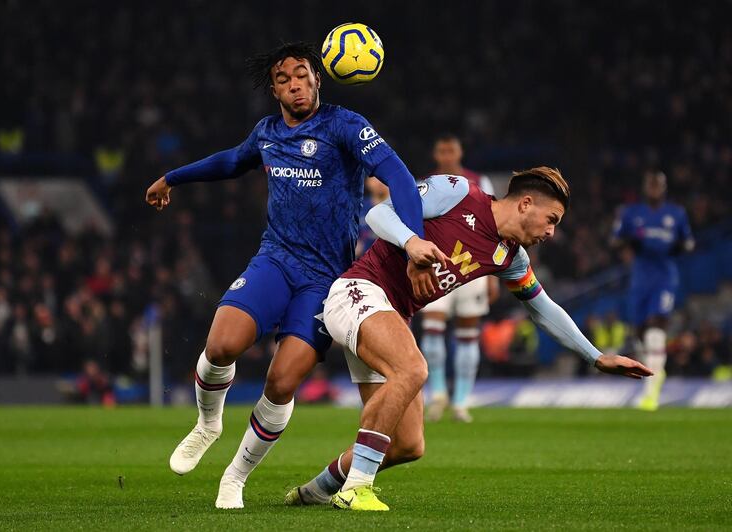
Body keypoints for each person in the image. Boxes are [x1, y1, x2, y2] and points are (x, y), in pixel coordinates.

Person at [144, 42, 444, 509]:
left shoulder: (345, 125)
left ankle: (235, 477)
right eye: (284, 79)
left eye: (302, 75)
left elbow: (399, 176)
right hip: (277, 259)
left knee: (282, 381)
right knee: (222, 344)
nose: (295, 85)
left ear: (318, 79)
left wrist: (412, 244)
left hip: (326, 280)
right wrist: (173, 177)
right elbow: (230, 162)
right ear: (274, 89)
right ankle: (207, 424)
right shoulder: (266, 132)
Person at [287, 167, 653, 511]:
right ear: (526, 204)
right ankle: (355, 490)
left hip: (391, 315)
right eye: (551, 220)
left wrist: (595, 356)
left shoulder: (510, 256)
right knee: (413, 368)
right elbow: (380, 214)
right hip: (358, 291)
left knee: (407, 445)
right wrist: (412, 244)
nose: (551, 232)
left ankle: (315, 491)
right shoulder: (458, 192)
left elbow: (543, 308)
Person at [418, 134, 499, 422]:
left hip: (472, 266)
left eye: (451, 150)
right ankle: (438, 394)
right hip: (437, 264)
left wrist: (493, 275)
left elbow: (493, 229)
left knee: (468, 332)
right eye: (442, 150)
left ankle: (461, 400)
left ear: (460, 152)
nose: (447, 155)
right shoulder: (426, 184)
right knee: (432, 327)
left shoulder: (480, 182)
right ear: (435, 153)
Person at [612, 170, 693, 411]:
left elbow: (688, 242)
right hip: (640, 279)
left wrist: (679, 246)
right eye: (651, 185)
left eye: (659, 184)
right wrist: (628, 241)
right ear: (645, 188)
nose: (655, 188)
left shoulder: (676, 214)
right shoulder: (632, 213)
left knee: (656, 329)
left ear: (665, 187)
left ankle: (651, 393)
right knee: (641, 334)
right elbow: (615, 240)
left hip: (665, 278)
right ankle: (656, 369)